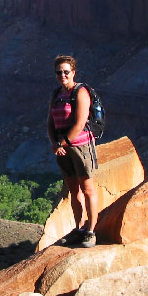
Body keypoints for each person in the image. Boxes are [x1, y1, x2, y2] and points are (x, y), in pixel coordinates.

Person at [47, 54, 98, 248]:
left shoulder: (80, 92)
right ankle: (79, 228)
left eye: (66, 72)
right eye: (59, 72)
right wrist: (53, 142)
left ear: (73, 72)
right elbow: (50, 122)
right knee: (73, 190)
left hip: (81, 146)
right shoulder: (56, 94)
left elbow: (80, 122)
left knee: (87, 189)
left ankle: (91, 231)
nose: (62, 75)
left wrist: (62, 143)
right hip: (62, 149)